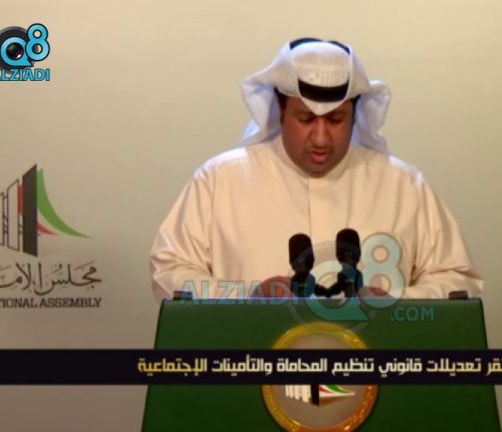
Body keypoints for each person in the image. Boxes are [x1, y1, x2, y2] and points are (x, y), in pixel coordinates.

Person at [149, 38, 482, 302]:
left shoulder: (403, 185)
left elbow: (458, 281)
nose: (321, 138)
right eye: (306, 119)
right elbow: (169, 273)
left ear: (355, 115)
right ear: (281, 111)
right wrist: (246, 297)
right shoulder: (220, 180)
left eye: (336, 120)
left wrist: (396, 302)